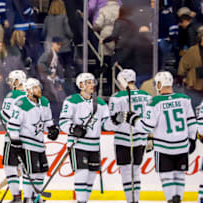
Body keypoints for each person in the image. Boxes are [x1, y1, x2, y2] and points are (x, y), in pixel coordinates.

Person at [118, 71, 197, 203]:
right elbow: (191, 121)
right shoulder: (184, 99)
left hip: (164, 147)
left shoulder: (155, 102)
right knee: (179, 176)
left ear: (159, 84)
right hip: (182, 145)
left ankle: (171, 199)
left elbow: (146, 126)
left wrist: (132, 118)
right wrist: (192, 139)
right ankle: (177, 199)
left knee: (167, 177)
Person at [59, 73, 109, 203]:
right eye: (88, 82)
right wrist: (73, 129)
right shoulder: (71, 100)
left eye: (93, 82)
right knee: (82, 173)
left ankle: (84, 200)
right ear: (81, 85)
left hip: (94, 145)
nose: (92, 85)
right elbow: (63, 122)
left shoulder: (101, 103)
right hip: (77, 144)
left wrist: (116, 120)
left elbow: (106, 124)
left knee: (91, 176)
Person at [7, 78, 59, 202]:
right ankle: (27, 198)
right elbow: (13, 125)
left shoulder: (44, 102)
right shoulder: (21, 103)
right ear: (29, 90)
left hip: (40, 144)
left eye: (39, 87)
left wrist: (52, 129)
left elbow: (47, 121)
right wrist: (15, 142)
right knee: (30, 173)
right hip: (27, 144)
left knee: (41, 172)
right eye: (35, 87)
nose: (39, 89)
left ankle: (38, 197)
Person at [108, 69, 151, 203]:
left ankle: (130, 201)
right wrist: (150, 137)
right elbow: (151, 120)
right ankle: (135, 200)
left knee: (127, 173)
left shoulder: (117, 97)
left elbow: (110, 124)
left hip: (123, 139)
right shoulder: (146, 96)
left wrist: (116, 120)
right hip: (141, 139)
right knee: (136, 171)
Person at [0, 70, 27, 202]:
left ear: (17, 81)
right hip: (29, 139)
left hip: (12, 138)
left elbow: (4, 117)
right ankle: (32, 195)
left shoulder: (12, 95)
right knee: (26, 168)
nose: (10, 84)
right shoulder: (31, 95)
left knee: (10, 167)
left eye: (11, 80)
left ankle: (16, 196)